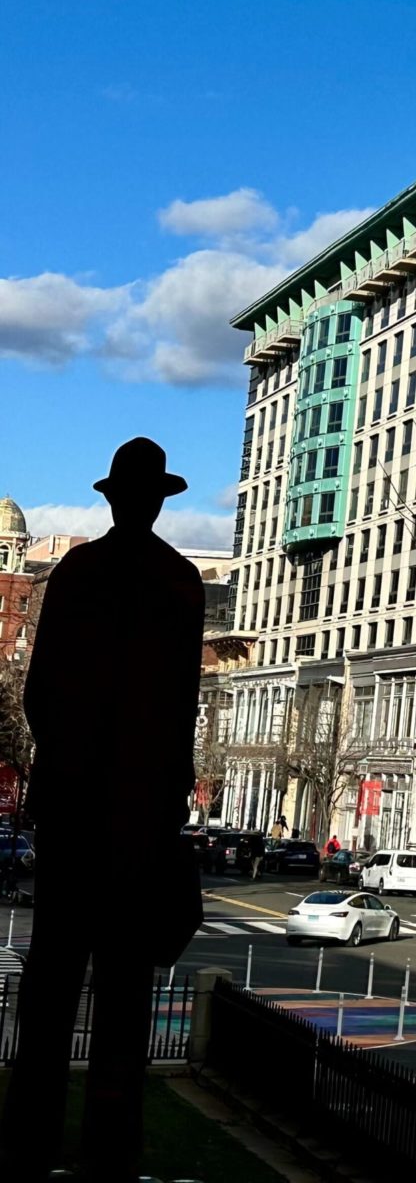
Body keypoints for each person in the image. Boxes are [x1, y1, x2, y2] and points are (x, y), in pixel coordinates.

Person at [2, 439, 203, 1181]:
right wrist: (165, 794)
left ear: (115, 498)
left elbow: (41, 690)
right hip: (140, 815)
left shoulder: (79, 574)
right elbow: (181, 707)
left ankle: (28, 1141)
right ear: (156, 502)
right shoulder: (179, 583)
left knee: (52, 983)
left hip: (75, 805)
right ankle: (110, 1151)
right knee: (125, 992)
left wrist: (58, 767)